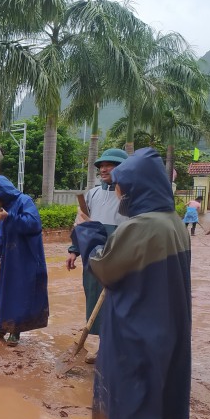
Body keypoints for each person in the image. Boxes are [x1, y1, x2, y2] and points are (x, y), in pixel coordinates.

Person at [71, 147, 191, 419]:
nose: (118, 192)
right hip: (163, 324)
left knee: (131, 397)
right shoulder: (174, 223)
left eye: (122, 185)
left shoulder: (143, 227)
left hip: (135, 326)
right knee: (154, 393)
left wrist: (87, 230)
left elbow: (106, 267)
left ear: (136, 187)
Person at [66, 148, 129, 363]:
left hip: (121, 257)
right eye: (101, 165)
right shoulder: (92, 194)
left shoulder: (131, 195)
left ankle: (119, 350)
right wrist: (74, 250)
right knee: (97, 301)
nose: (104, 168)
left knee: (120, 303)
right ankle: (104, 348)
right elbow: (82, 222)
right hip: (94, 256)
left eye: (110, 164)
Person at [0, 175, 49, 347]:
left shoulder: (24, 201)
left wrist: (10, 218)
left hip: (27, 259)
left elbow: (34, 224)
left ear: (1, 192)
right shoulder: (1, 210)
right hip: (10, 262)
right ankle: (3, 325)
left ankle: (15, 331)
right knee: (5, 293)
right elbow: (0, 237)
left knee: (21, 294)